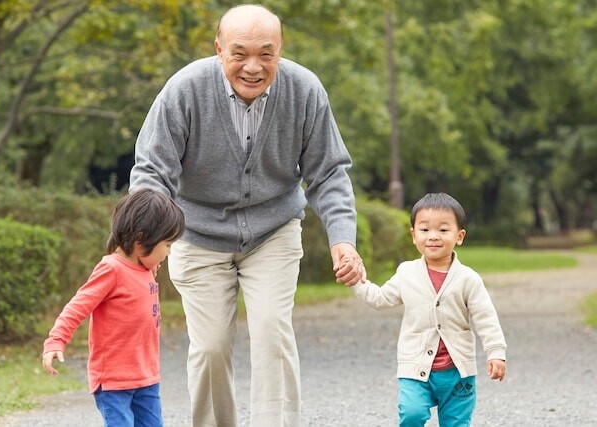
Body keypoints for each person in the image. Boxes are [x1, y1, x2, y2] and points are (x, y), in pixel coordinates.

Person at [129, 4, 365, 426]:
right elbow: (152, 170)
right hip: (197, 232)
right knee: (212, 347)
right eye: (239, 53)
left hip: (273, 231)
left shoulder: (305, 91)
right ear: (218, 49)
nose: (252, 67)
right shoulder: (184, 90)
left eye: (266, 54)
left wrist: (342, 239)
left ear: (280, 51)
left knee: (273, 334)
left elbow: (329, 173)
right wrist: (145, 238)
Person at [348, 192, 507, 427]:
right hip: (415, 367)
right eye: (424, 230)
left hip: (457, 372)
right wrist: (356, 280)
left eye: (443, 230)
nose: (433, 236)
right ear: (413, 235)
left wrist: (496, 352)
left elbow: (486, 317)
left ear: (459, 236)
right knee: (411, 415)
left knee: (456, 422)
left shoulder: (468, 279)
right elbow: (380, 298)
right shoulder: (406, 273)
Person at [42, 189, 185, 427]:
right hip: (113, 381)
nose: (169, 252)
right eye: (167, 245)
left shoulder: (145, 269)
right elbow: (78, 306)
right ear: (141, 241)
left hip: (146, 377)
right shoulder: (111, 270)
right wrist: (56, 340)